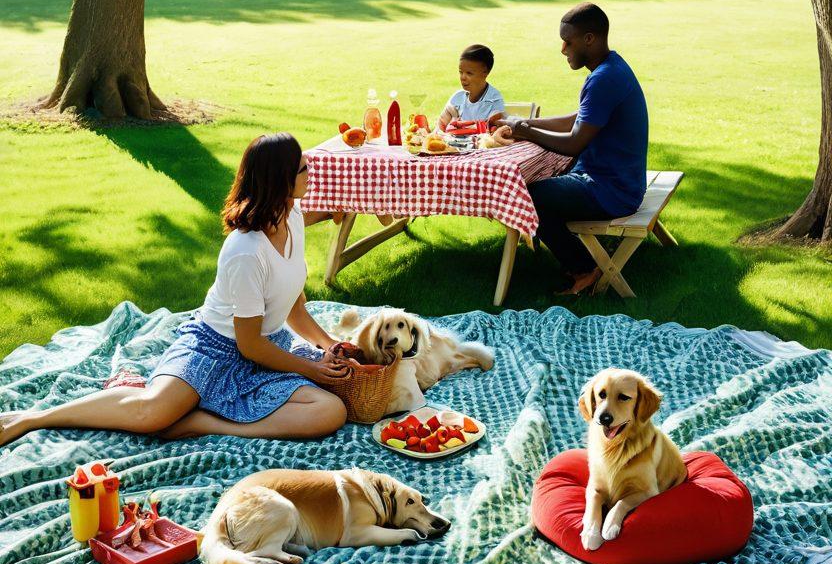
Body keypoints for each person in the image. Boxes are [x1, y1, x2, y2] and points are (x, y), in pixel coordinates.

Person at [0, 134, 352, 448]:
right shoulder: (246, 252)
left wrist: (328, 344)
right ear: (280, 181)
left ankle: (201, 423)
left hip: (269, 350)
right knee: (152, 411)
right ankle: (31, 419)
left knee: (330, 411)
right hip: (215, 349)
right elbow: (249, 344)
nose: (311, 173)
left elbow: (294, 309)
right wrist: (310, 370)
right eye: (304, 169)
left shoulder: (292, 218)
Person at [492, 3, 648, 295]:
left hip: (612, 191)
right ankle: (577, 259)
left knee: (527, 195)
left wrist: (525, 130)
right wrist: (525, 123)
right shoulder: (611, 68)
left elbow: (575, 142)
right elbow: (579, 119)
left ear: (589, 39)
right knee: (538, 185)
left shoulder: (604, 79)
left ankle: (585, 268)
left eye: (568, 41)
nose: (563, 48)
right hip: (618, 181)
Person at [437, 43, 506, 131]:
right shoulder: (457, 98)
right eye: (461, 72)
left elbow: (494, 130)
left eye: (469, 73)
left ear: (485, 72)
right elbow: (440, 126)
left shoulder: (494, 101)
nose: (463, 77)